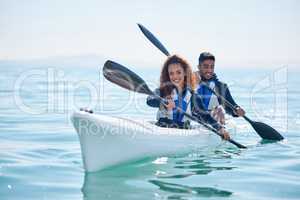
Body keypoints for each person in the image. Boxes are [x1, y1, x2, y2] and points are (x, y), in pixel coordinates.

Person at [146, 54, 230, 140]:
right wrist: (163, 102)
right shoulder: (162, 91)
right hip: (162, 129)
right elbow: (149, 100)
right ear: (168, 75)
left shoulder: (193, 96)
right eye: (171, 73)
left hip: (183, 132)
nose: (175, 77)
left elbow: (205, 115)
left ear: (185, 73)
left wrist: (220, 128)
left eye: (178, 72)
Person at [195, 52, 245, 124]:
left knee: (219, 110)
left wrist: (237, 110)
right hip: (193, 120)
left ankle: (222, 130)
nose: (209, 70)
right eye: (206, 67)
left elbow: (231, 106)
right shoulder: (188, 83)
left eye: (212, 67)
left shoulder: (221, 87)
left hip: (211, 122)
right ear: (199, 67)